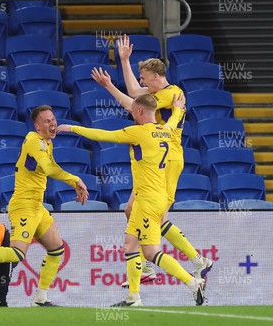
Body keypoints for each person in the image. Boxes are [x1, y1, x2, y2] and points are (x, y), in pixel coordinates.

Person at [58, 94, 206, 306]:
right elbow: (173, 122)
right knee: (129, 246)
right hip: (152, 198)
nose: (131, 114)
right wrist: (178, 109)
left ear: (139, 111)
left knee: (152, 252)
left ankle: (193, 283)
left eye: (132, 111)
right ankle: (133, 297)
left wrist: (72, 128)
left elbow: (102, 135)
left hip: (147, 201)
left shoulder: (138, 132)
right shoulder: (165, 131)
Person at [94, 35, 213, 285]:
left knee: (156, 218)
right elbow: (137, 94)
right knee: (131, 211)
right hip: (156, 158)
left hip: (168, 160)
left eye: (145, 78)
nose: (142, 82)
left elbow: (133, 103)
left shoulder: (173, 93)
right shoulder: (158, 92)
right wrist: (124, 61)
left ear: (157, 78)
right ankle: (186, 262)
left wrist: (108, 86)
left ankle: (181, 262)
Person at [0, 105, 89, 307]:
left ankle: (40, 298)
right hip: (24, 206)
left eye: (53, 119)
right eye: (46, 121)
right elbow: (50, 169)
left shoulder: (46, 143)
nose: (52, 123)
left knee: (56, 249)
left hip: (37, 207)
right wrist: (75, 179)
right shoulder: (34, 141)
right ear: (37, 126)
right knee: (17, 253)